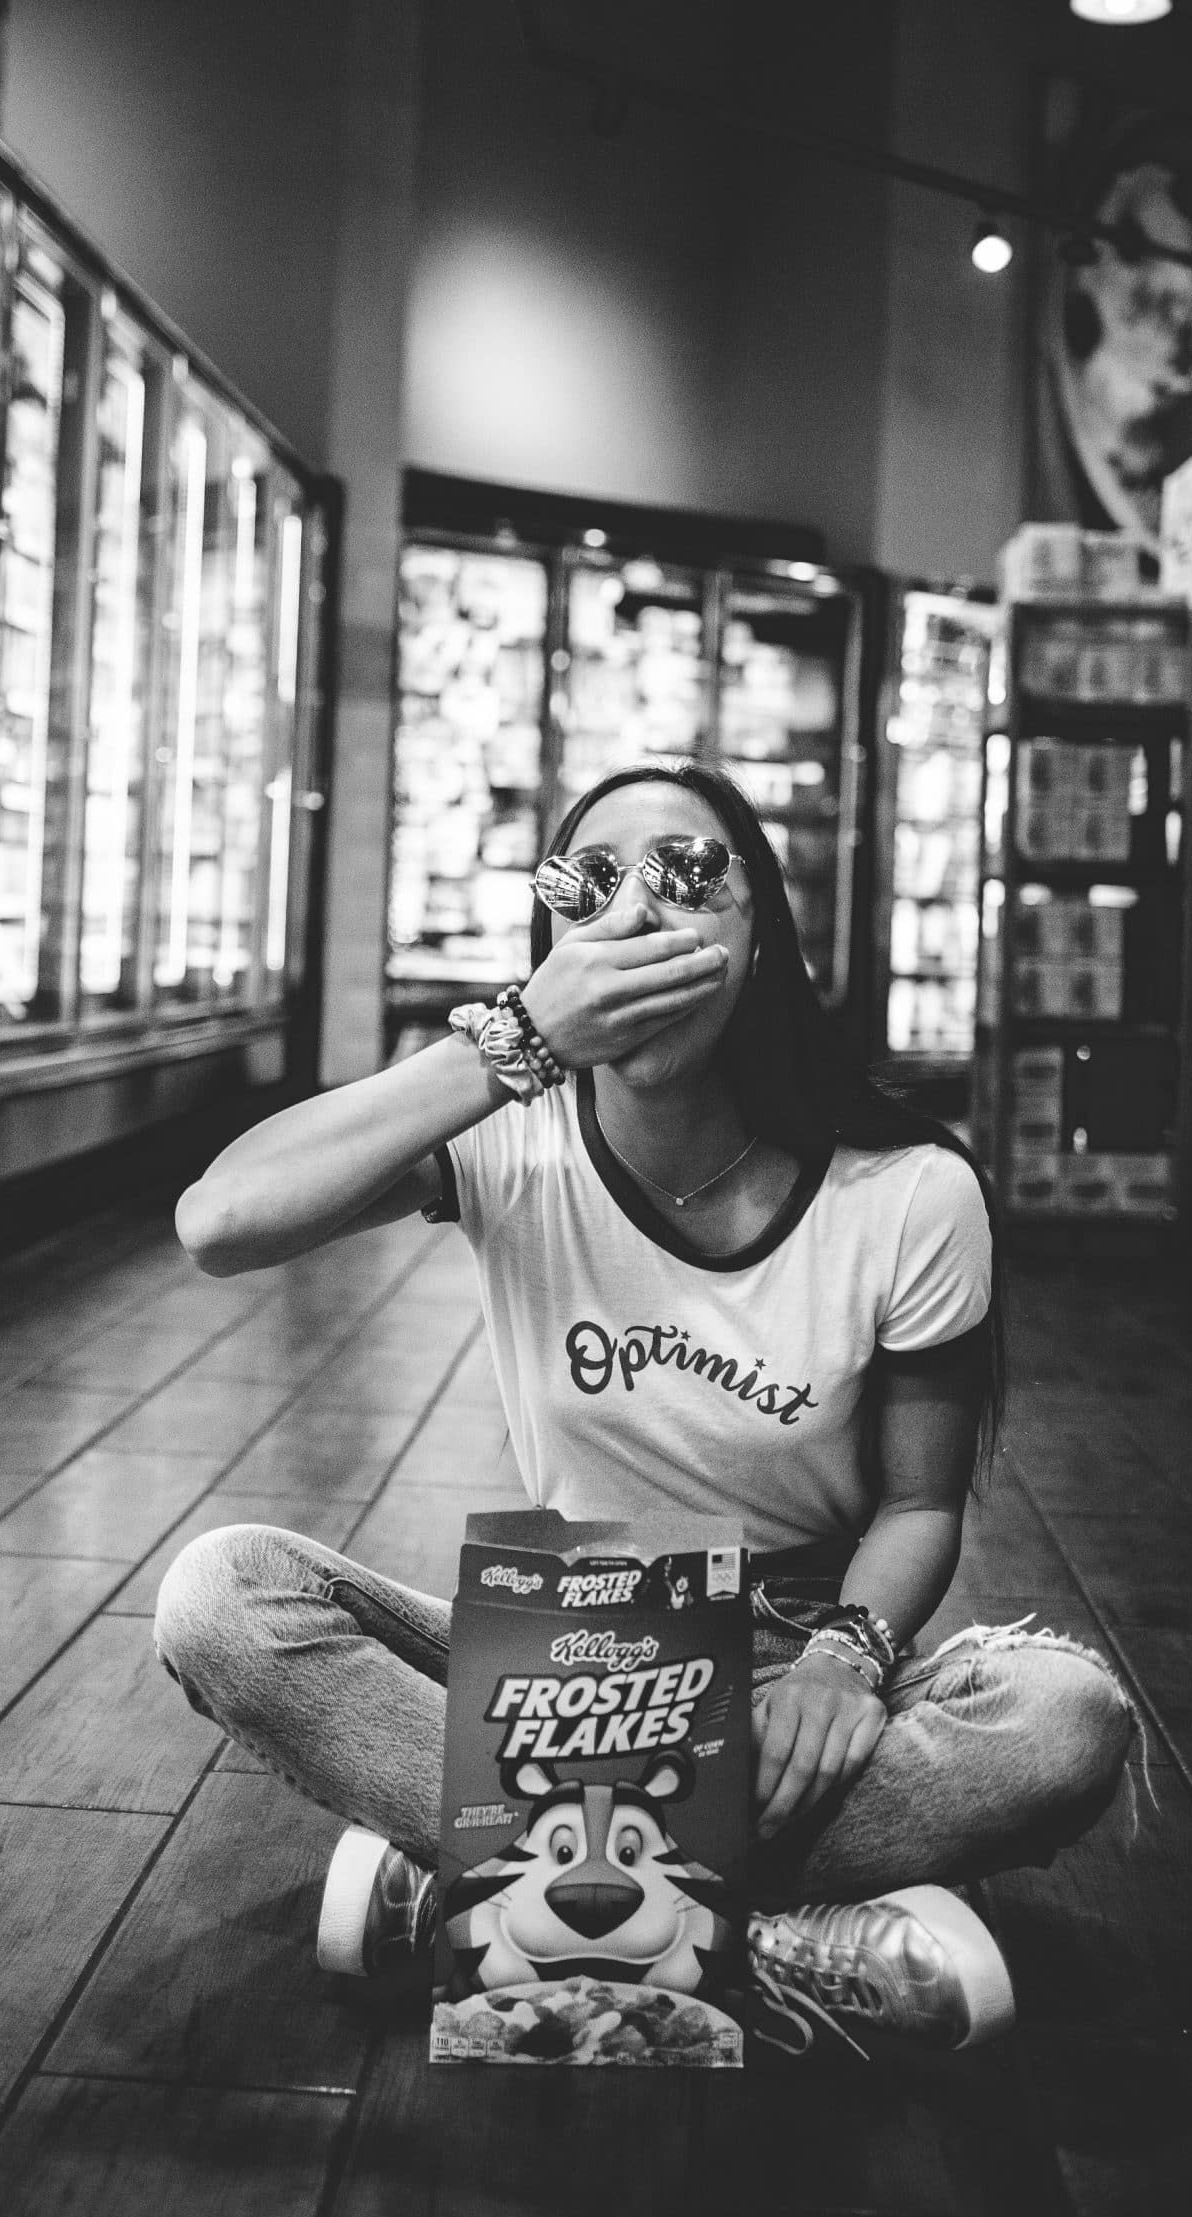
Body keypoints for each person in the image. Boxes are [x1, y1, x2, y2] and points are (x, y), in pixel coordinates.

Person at [158, 761, 1136, 2055]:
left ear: (757, 936)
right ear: (552, 942)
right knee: (220, 1599)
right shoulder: (513, 1135)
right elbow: (219, 1223)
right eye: (591, 886)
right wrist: (514, 1040)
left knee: (1068, 1722)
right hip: (566, 1655)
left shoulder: (907, 1192)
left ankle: (475, 1881)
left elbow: (917, 1504)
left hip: (791, 1655)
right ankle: (781, 1939)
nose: (638, 915)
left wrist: (847, 1667)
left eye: (689, 877)